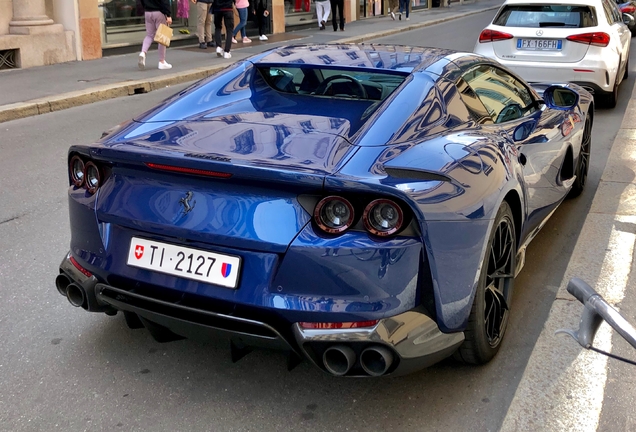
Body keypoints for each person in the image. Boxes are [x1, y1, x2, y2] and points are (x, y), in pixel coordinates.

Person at [138, 0, 172, 70]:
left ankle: (143, 52)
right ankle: (161, 62)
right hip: (159, 12)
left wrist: (146, 7)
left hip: (148, 12)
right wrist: (168, 15)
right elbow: (165, 1)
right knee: (162, 36)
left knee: (149, 35)